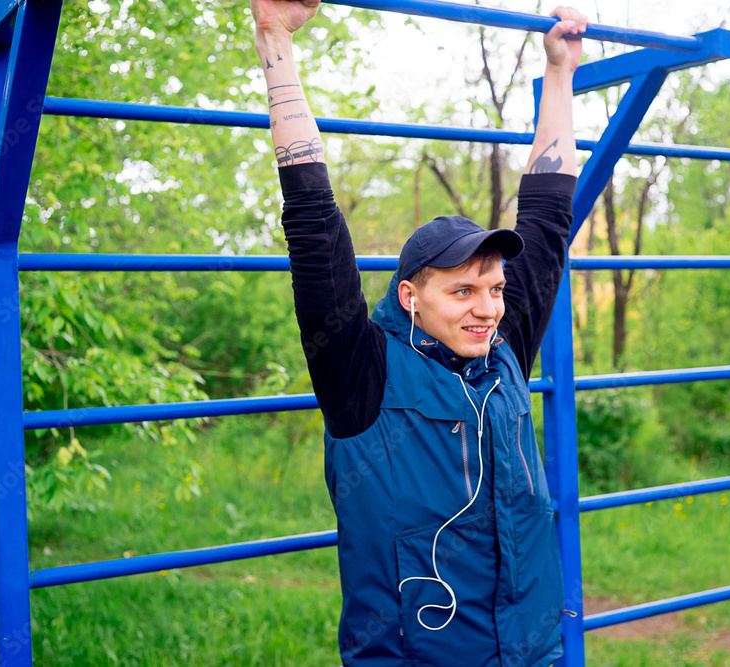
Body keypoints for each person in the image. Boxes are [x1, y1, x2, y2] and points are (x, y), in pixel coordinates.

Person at [250, 1, 585, 663]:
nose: (487, 307)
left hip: (532, 653)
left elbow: (547, 217)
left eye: (494, 288)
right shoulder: (362, 375)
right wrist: (274, 40)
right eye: (462, 290)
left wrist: (560, 72)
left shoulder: (504, 353)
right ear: (411, 297)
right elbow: (315, 223)